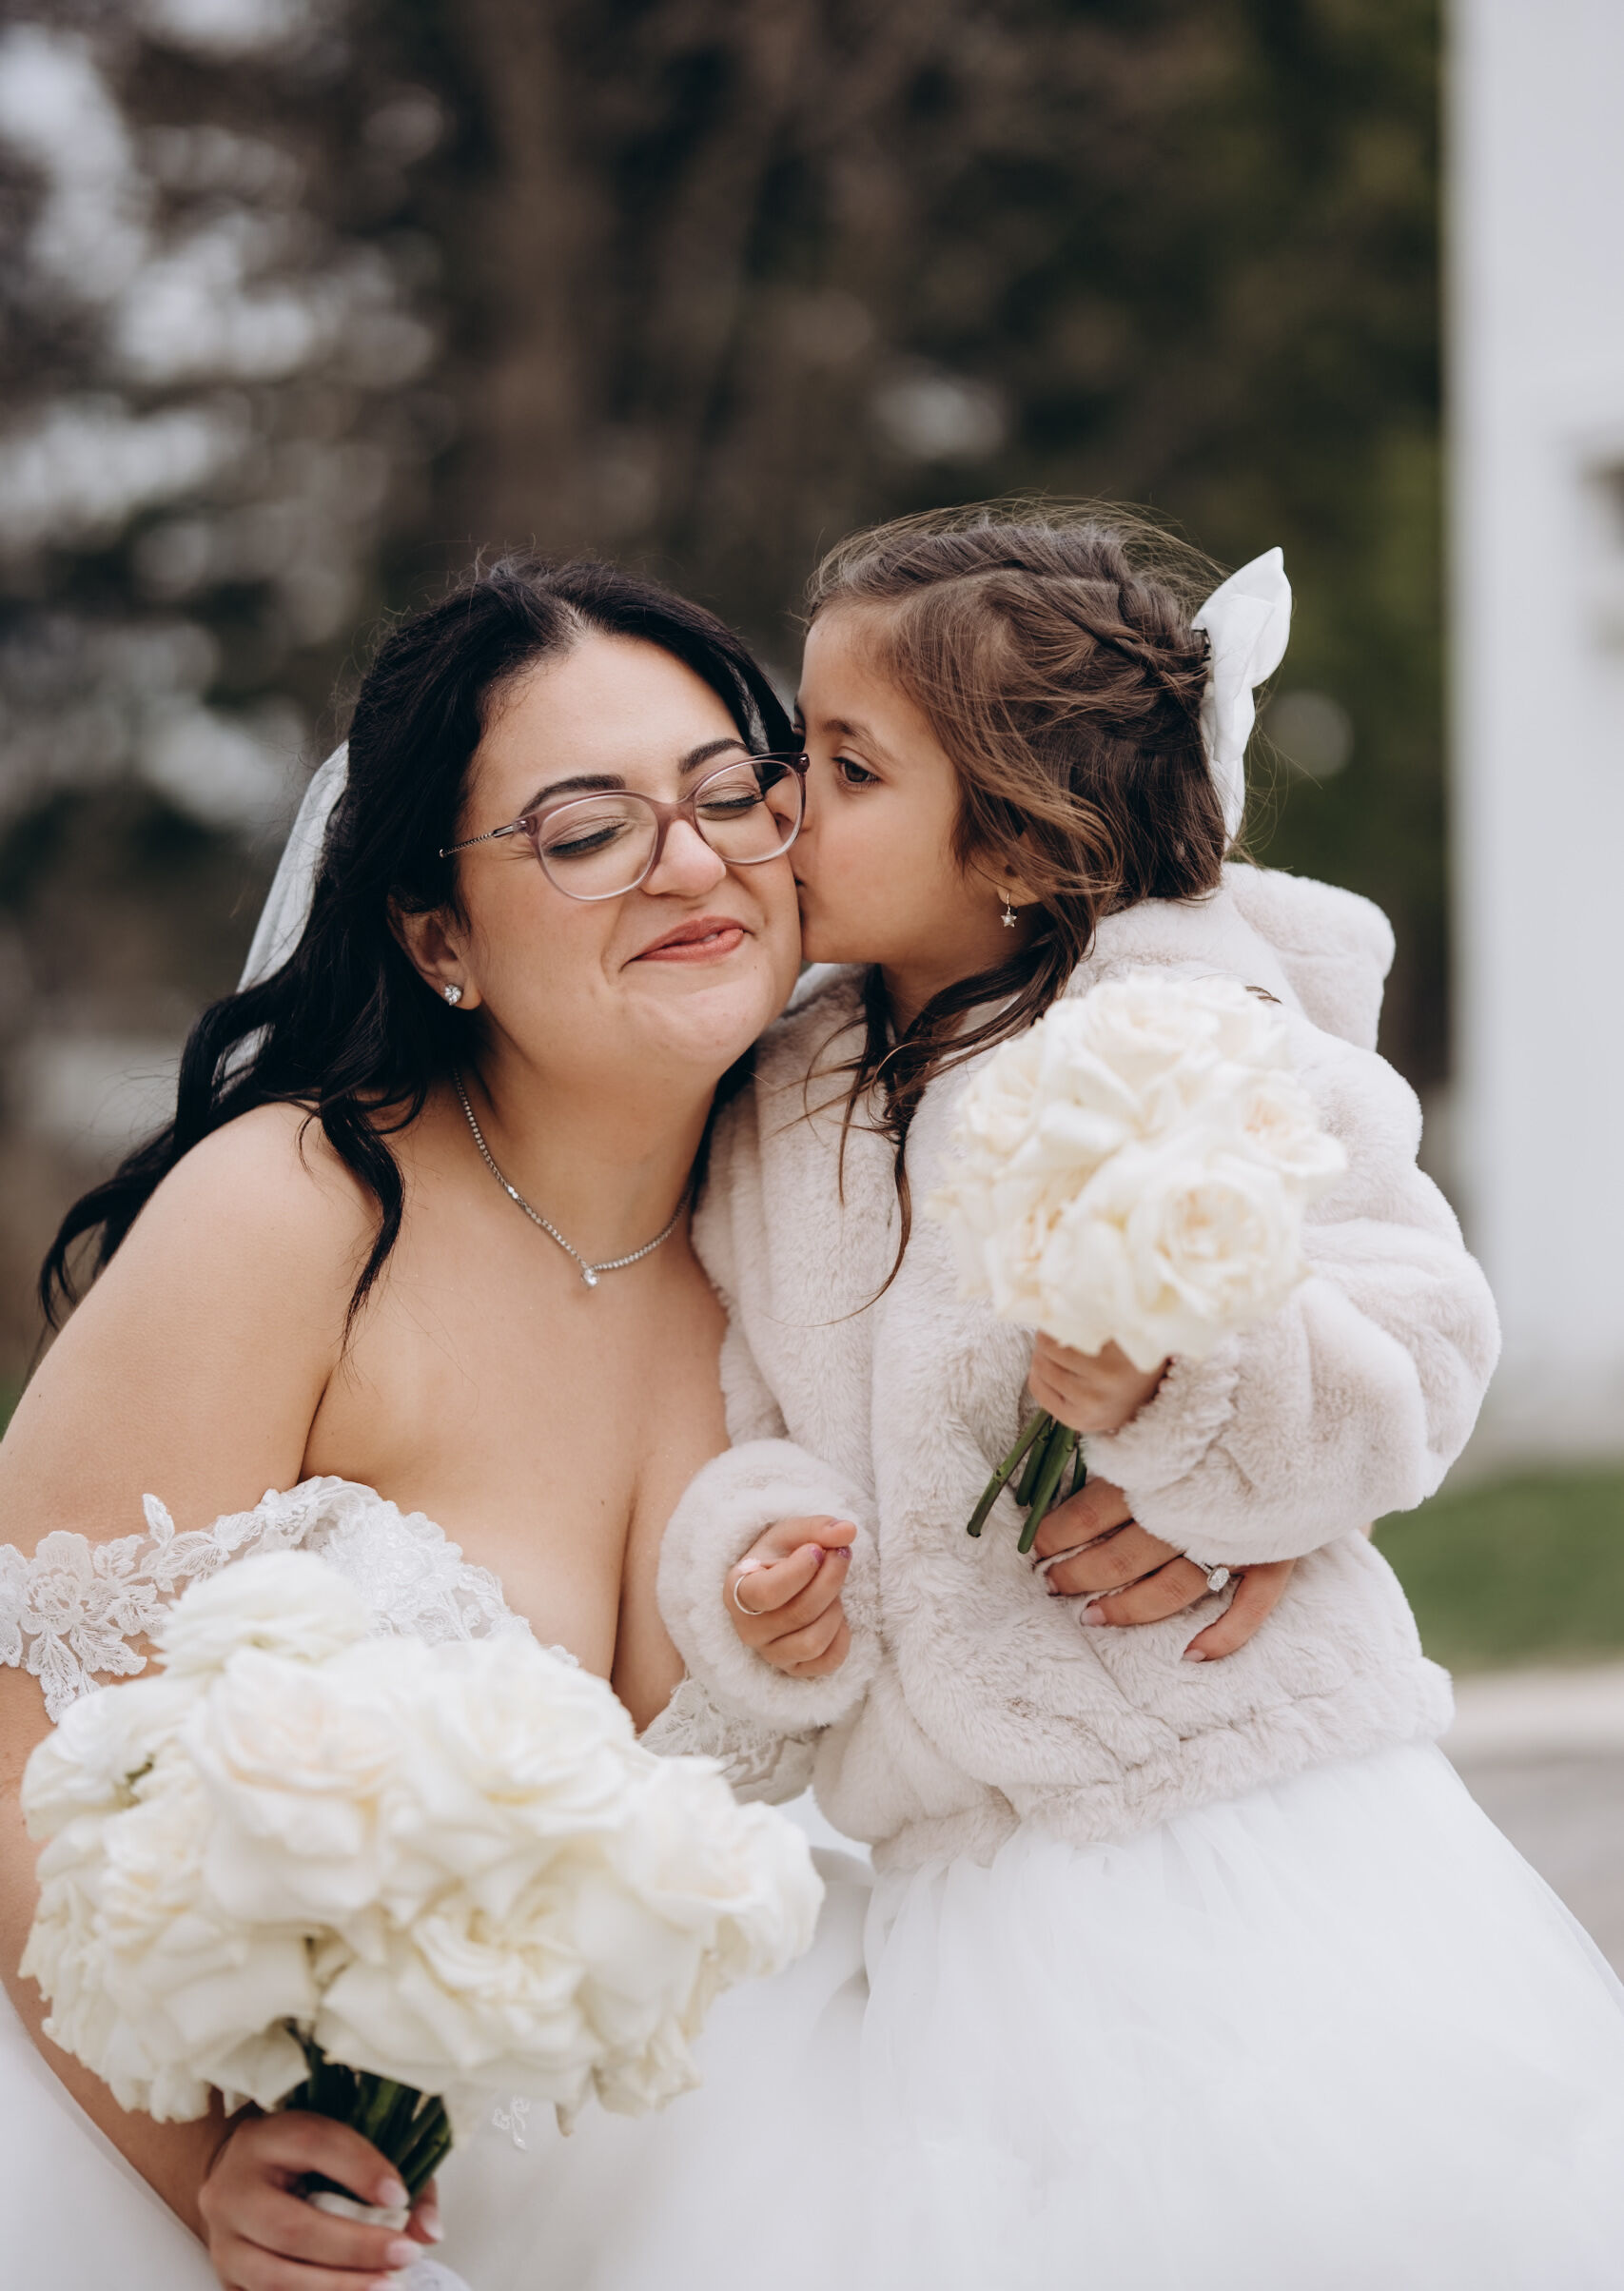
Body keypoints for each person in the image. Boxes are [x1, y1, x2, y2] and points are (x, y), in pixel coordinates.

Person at [0, 553, 1280, 2291]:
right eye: (586, 830)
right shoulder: (292, 1213)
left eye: (731, 794)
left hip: (748, 2169)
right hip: (237, 2194)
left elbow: (1237, 1141)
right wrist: (212, 2171)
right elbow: (29, 1733)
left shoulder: (855, 1197)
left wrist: (1238, 1498)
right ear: (438, 934)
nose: (690, 862)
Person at [656, 503, 1624, 2290]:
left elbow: (1419, 1347)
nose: (787, 803)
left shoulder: (1194, 1038)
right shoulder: (778, 1104)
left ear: (1024, 842)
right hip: (954, 1891)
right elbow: (752, 1415)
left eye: (851, 768)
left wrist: (1185, 1381)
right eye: (799, 747)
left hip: (1232, 1834)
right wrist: (761, 1570)